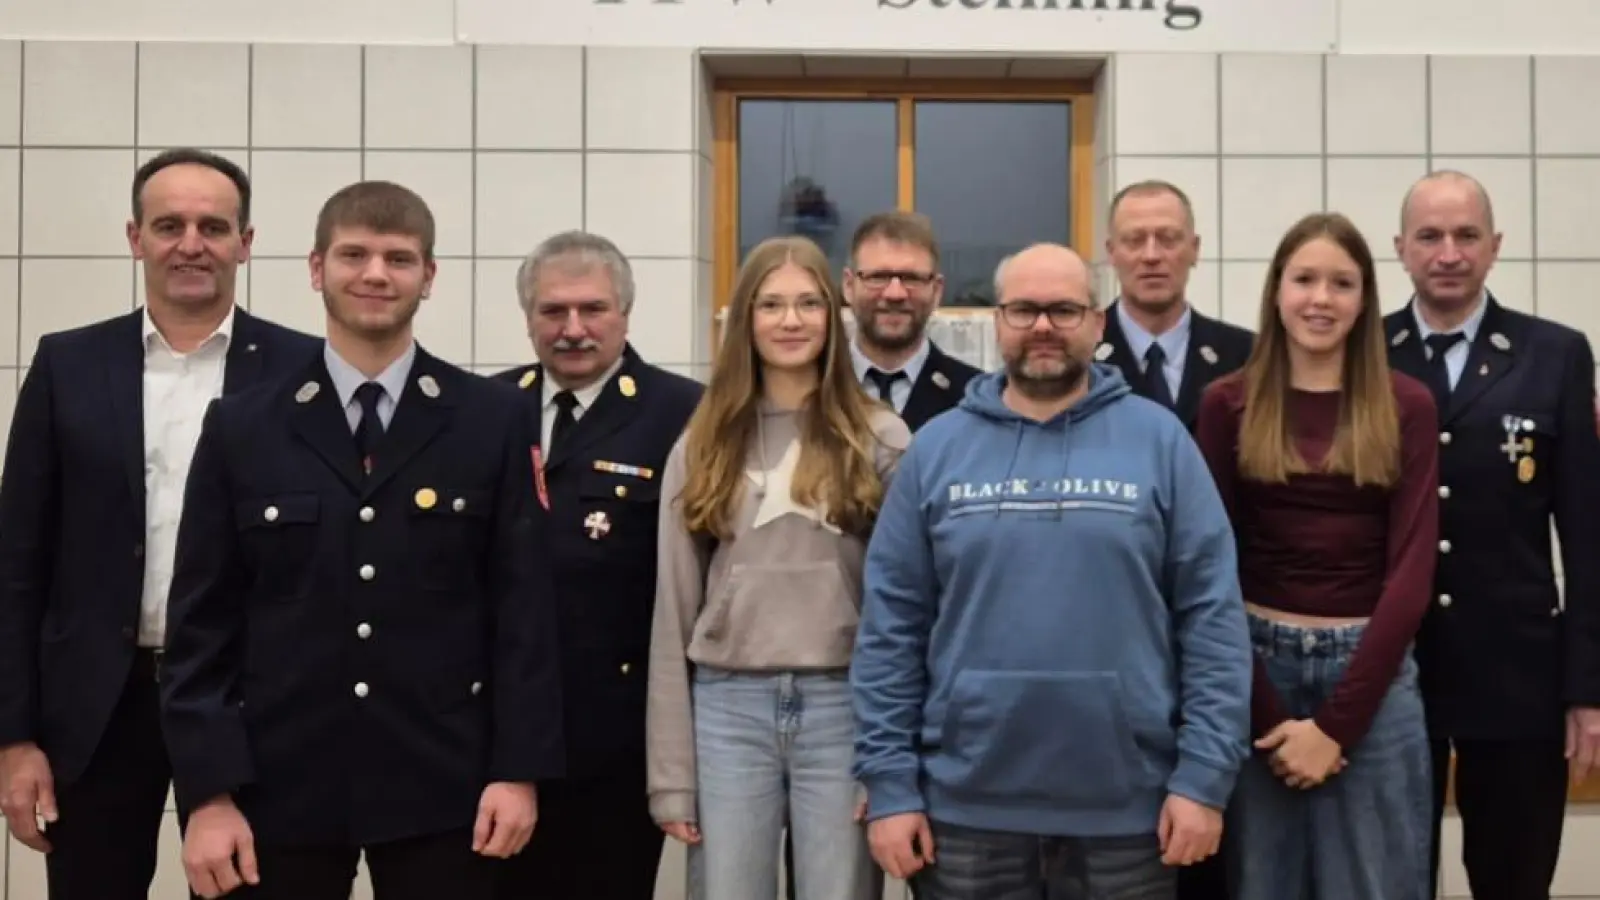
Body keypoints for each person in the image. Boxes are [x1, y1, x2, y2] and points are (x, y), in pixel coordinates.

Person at [159, 180, 563, 900]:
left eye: (399, 258)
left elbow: (524, 612)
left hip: (449, 789)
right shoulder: (244, 425)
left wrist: (518, 771)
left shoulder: (493, 418)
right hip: (276, 789)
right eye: (354, 255)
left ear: (428, 276)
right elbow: (201, 628)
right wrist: (208, 795)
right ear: (317, 268)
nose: (376, 274)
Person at [852, 242, 1252, 900]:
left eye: (1064, 310)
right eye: (1024, 310)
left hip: (1129, 813)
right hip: (966, 811)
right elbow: (891, 628)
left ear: (1097, 322)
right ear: (998, 321)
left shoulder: (1160, 442)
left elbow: (1211, 620)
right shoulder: (937, 450)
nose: (1043, 326)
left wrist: (1203, 780)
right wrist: (890, 785)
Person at [0, 148, 318, 900]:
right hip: (96, 704)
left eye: (214, 227)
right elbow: (18, 561)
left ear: (245, 242)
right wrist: (14, 737)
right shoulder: (68, 365)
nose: (191, 244)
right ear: (135, 237)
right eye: (169, 225)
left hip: (250, 698)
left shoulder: (304, 372)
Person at [647, 234, 909, 900]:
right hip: (728, 708)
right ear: (745, 319)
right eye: (770, 304)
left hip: (845, 708)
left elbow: (907, 609)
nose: (790, 321)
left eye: (808, 303)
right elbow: (672, 609)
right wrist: (671, 775)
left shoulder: (881, 436)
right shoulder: (703, 441)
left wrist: (893, 761)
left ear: (834, 315)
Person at [1194, 212, 1440, 900]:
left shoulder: (1406, 404)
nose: (1321, 299)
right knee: (1260, 884)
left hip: (1371, 676)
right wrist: (1270, 718)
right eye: (1304, 280)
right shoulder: (1227, 402)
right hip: (1254, 673)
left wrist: (1337, 727)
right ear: (1277, 291)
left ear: (1364, 300)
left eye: (1342, 283)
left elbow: (1412, 575)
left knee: (1377, 884)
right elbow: (1208, 570)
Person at [1382, 170, 1600, 900]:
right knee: (1389, 877)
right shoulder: (1363, 351)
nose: (1449, 253)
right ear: (1401, 249)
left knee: (1514, 878)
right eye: (1430, 236)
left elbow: (1587, 534)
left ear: (1495, 245)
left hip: (1518, 675)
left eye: (1466, 235)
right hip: (1392, 668)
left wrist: (1588, 688)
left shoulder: (1554, 354)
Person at [492, 230, 702, 900]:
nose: (573, 329)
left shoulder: (685, 413)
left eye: (593, 309)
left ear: (625, 314)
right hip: (499, 732)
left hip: (617, 736)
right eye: (553, 311)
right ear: (528, 318)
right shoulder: (486, 408)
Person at [1097, 180, 1253, 432]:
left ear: (1194, 249)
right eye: (1135, 240)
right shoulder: (1081, 354)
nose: (1151, 256)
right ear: (1111, 253)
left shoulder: (1247, 357)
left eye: (1168, 239)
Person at [841, 211, 983, 430]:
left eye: (911, 278)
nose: (895, 294)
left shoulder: (976, 397)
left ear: (936, 291)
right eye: (878, 277)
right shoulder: (812, 388)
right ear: (849, 286)